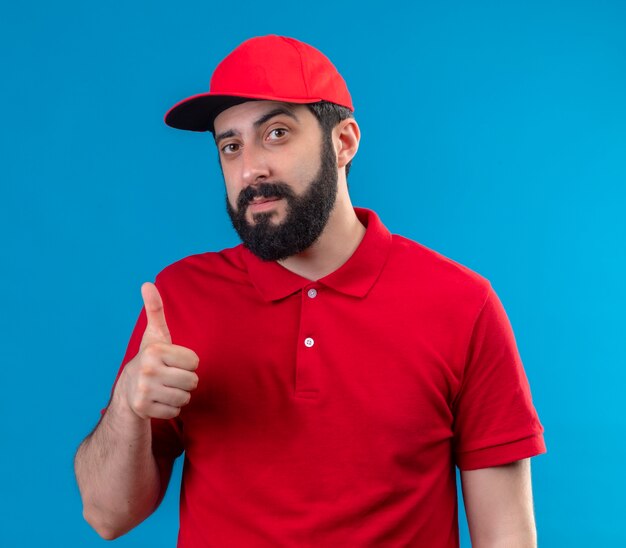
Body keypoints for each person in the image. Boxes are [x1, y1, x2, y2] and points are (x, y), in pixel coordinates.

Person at [75, 35, 546, 547]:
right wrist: (128, 406)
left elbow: (507, 536)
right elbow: (106, 516)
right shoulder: (180, 297)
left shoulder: (461, 303)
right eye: (230, 146)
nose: (250, 168)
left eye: (276, 133)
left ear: (343, 142)